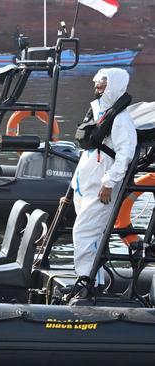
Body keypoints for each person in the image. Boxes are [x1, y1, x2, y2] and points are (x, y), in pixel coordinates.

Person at [71, 68, 137, 289]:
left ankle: (86, 283)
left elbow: (124, 156)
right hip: (85, 185)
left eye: (103, 83)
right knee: (88, 234)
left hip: (101, 187)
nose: (98, 86)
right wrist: (74, 187)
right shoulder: (97, 113)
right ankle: (91, 280)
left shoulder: (121, 120)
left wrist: (109, 183)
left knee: (84, 233)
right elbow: (88, 154)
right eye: (98, 82)